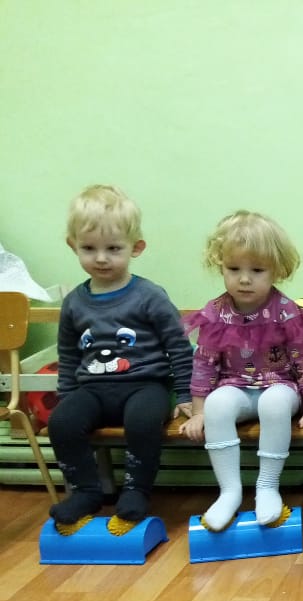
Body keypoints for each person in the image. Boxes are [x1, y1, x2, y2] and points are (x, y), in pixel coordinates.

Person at [48, 184, 195, 528]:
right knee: (61, 422)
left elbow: (179, 345)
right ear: (73, 245)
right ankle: (86, 491)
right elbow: (68, 353)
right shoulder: (74, 303)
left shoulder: (149, 296)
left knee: (143, 422)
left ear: (136, 248)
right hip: (92, 389)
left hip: (146, 386)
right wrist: (67, 396)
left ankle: (136, 490)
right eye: (89, 248)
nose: (101, 258)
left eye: (113, 248)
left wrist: (185, 394)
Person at [180, 211, 303, 531]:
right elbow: (204, 363)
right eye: (234, 269)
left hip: (280, 386)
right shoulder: (216, 312)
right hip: (235, 387)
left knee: (273, 402)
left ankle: (267, 486)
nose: (244, 279)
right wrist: (199, 411)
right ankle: (229, 491)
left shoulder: (285, 311)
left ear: (276, 270)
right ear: (220, 266)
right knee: (217, 404)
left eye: (257, 270)